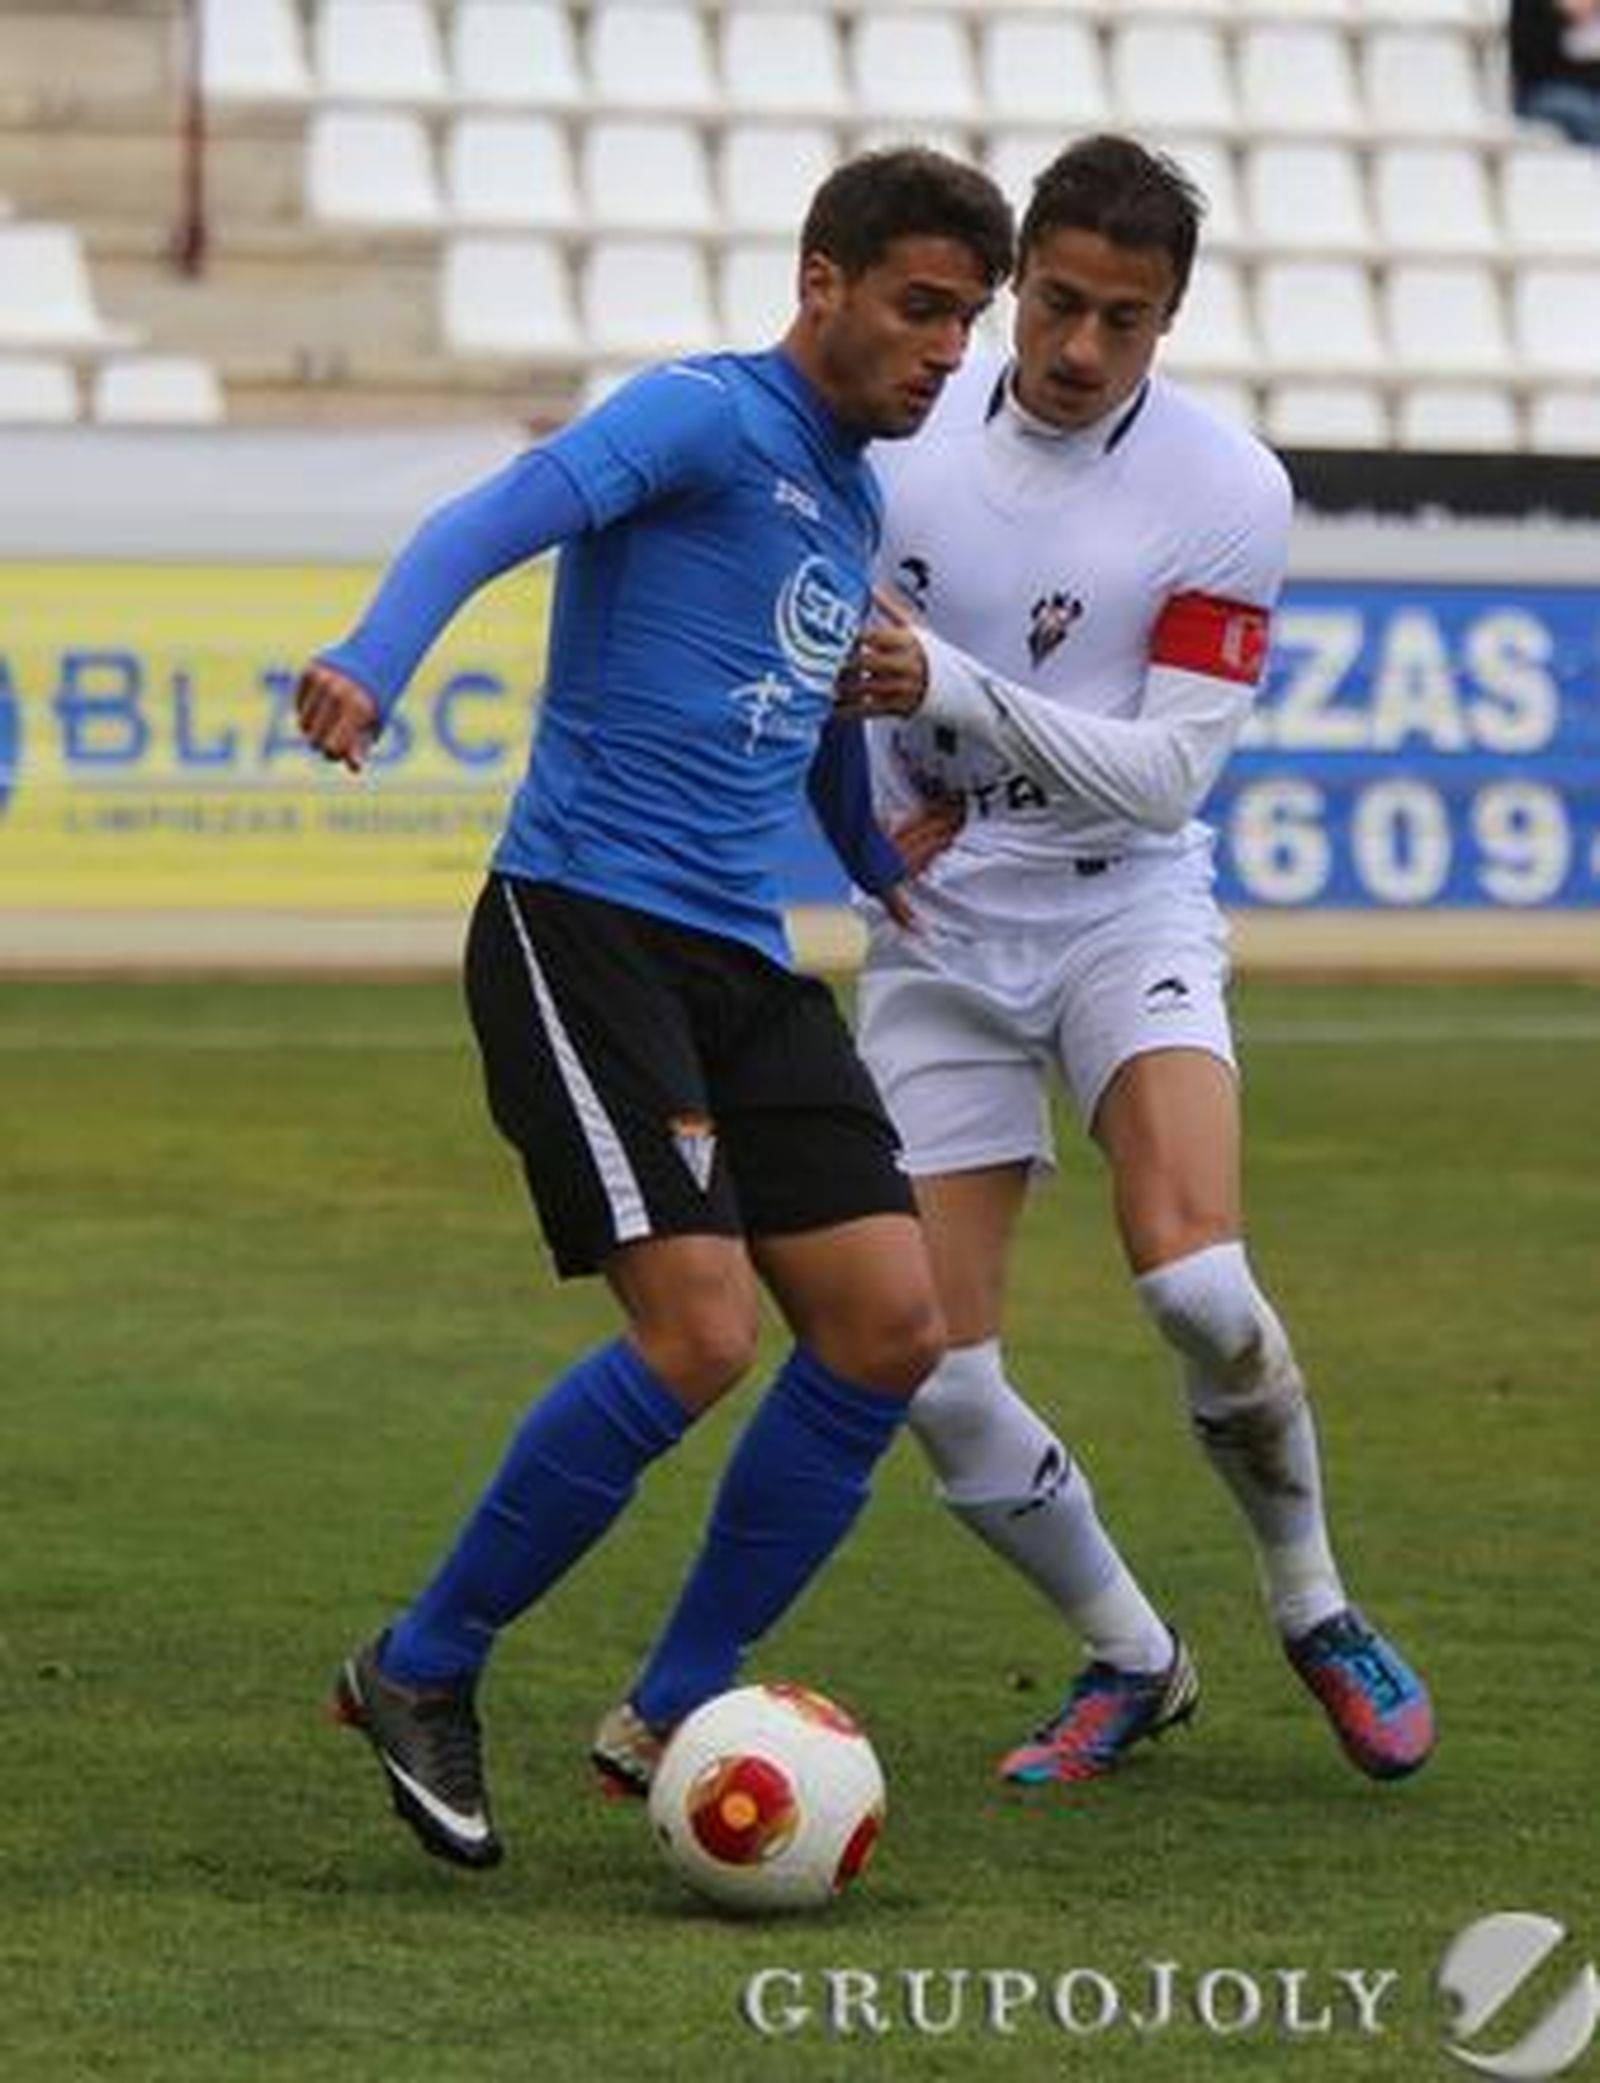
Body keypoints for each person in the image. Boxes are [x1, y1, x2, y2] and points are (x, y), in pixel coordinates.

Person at [297, 147, 1014, 1869]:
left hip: (744, 961)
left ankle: (674, 1696)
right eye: (922, 308)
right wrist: (374, 660)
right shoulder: (699, 418)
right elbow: (490, 516)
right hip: (584, 925)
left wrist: (869, 852)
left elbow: (812, 707)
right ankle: (421, 1661)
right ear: (820, 279)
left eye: (964, 324)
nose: (942, 350)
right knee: (699, 1334)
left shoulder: (850, 503)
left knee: (892, 1322)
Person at [829, 133, 1436, 1789]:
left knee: (1194, 1278)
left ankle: (1313, 1603)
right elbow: (834, 648)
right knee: (930, 1369)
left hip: (1124, 902)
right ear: (1020, 281)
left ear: (1172, 322)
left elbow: (1170, 773)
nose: (1084, 347)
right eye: (1064, 302)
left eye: (1130, 319)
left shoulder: (1225, 488)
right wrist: (872, 827)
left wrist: (949, 695)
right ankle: (1130, 1653)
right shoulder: (906, 422)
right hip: (939, 926)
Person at [1509, 0, 1600, 146]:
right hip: (1542, 91)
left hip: (1590, 91)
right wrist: (1558, 13)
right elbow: (1529, 59)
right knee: (1589, 116)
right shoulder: (1531, 8)